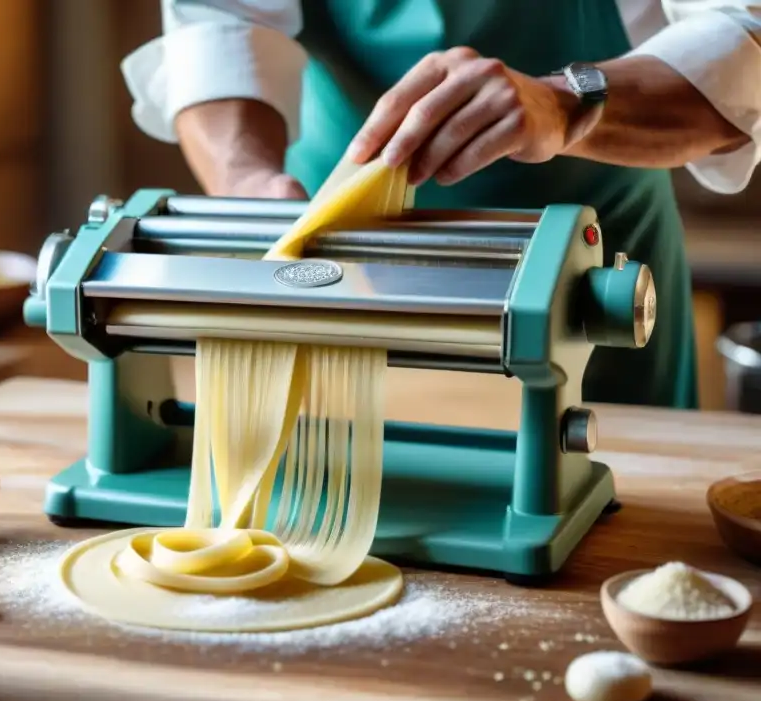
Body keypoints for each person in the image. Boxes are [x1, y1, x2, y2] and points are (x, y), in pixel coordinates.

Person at [120, 0, 761, 410]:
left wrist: (569, 104)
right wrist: (247, 184)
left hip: (595, 282)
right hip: (334, 279)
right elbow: (223, 17)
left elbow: (747, 37)